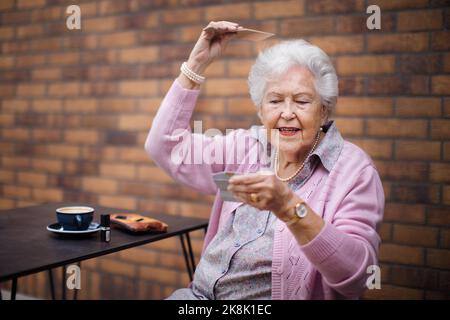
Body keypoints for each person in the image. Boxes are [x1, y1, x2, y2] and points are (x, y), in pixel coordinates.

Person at [145, 21, 384, 299]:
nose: (287, 112)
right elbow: (165, 146)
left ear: (324, 110)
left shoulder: (354, 171)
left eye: (302, 101)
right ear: (260, 111)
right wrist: (195, 65)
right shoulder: (248, 146)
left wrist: (289, 207)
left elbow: (357, 276)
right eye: (274, 101)